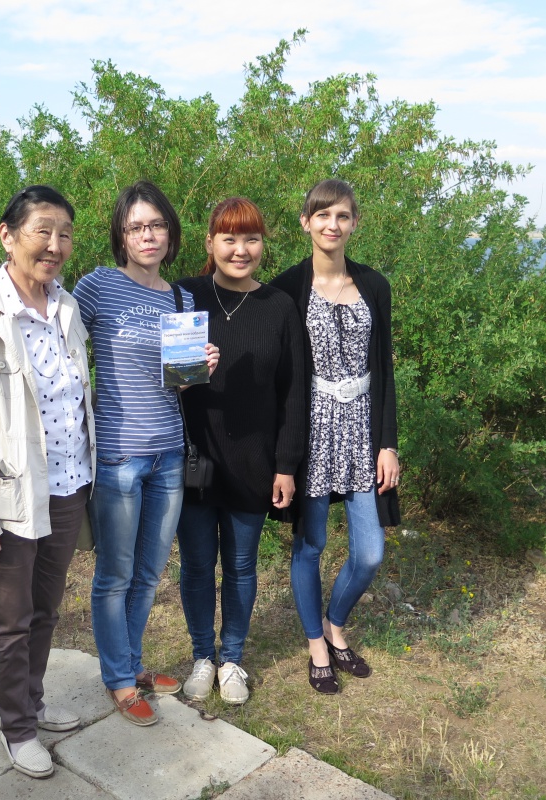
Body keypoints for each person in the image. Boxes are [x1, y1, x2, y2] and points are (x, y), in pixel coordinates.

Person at [0, 185, 94, 778]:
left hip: (69, 486)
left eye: (65, 234)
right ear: (8, 236)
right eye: (43, 231)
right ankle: (18, 728)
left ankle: (32, 700)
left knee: (46, 610)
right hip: (11, 496)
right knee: (10, 622)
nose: (55, 245)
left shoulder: (67, 308)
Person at [72, 180, 219, 726]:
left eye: (156, 224)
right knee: (115, 574)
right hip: (118, 457)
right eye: (135, 226)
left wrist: (199, 368)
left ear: (171, 232)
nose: (147, 235)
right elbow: (59, 339)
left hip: (169, 456)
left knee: (149, 572)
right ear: (121, 235)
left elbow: (176, 383)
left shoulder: (181, 299)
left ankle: (132, 665)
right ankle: (117, 678)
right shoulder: (98, 287)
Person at [270, 179, 401, 695]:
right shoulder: (285, 288)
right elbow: (276, 373)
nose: (332, 224)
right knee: (312, 544)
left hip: (363, 430)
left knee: (369, 553)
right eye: (322, 215)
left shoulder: (374, 285)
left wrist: (388, 443)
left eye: (342, 216)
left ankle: (335, 623)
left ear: (354, 223)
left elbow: (384, 369)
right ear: (306, 222)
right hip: (313, 431)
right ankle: (317, 645)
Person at [175, 197, 307, 705]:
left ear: (262, 245)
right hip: (194, 460)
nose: (240, 249)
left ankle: (232, 658)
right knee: (196, 566)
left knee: (241, 567)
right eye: (229, 238)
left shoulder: (279, 307)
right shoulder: (185, 296)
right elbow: (162, 378)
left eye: (251, 238)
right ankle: (202, 656)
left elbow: (293, 394)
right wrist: (183, 375)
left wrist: (286, 466)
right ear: (210, 242)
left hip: (254, 463)